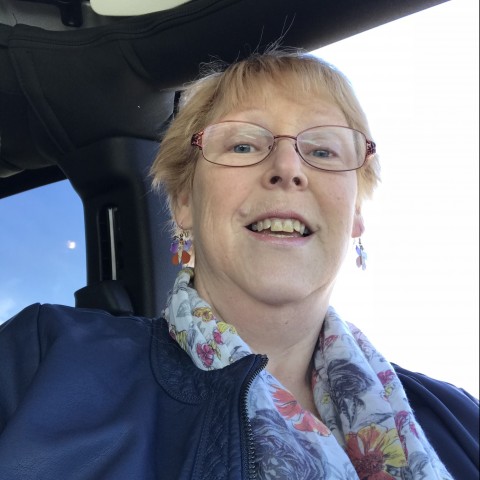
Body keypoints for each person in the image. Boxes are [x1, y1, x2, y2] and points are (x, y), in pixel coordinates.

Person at [0, 49, 478, 480]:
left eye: (323, 151)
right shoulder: (41, 362)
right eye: (244, 145)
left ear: (355, 212)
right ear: (184, 200)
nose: (288, 168)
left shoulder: (461, 421)